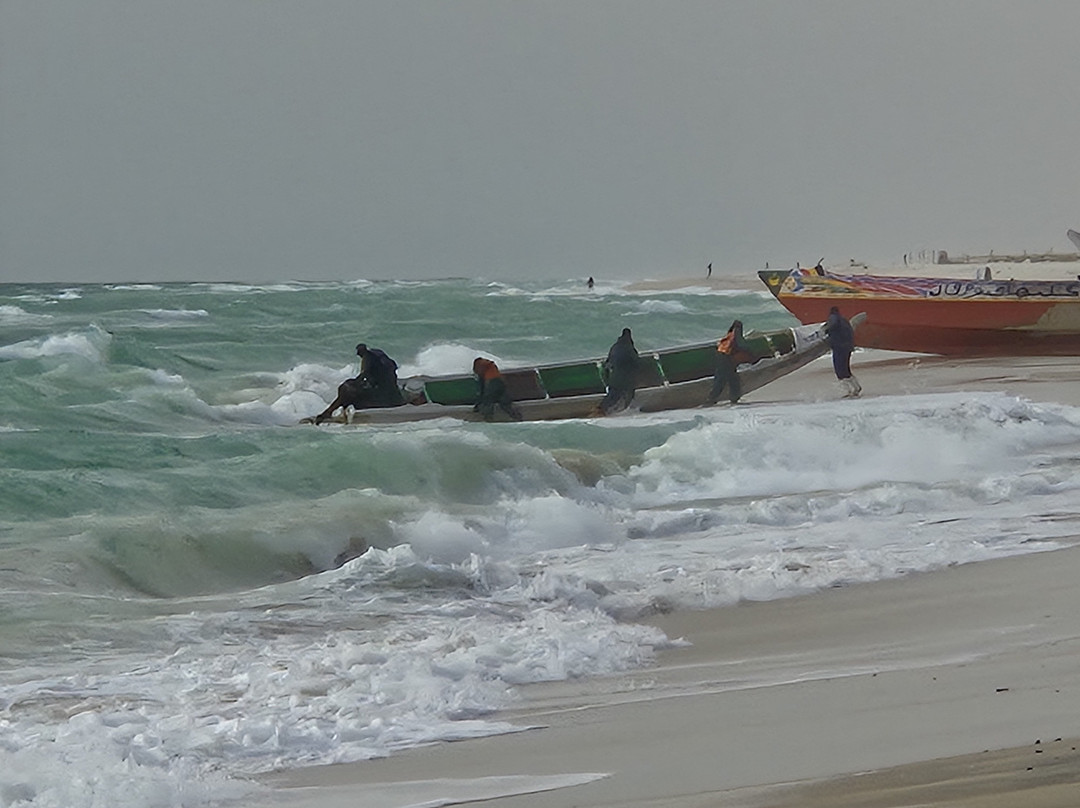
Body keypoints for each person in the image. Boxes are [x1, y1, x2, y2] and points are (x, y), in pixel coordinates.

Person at [314, 343, 405, 423]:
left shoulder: (368, 358)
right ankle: (331, 412)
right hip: (388, 389)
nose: (358, 354)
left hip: (382, 393)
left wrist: (356, 383)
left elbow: (364, 374)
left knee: (347, 389)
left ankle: (329, 413)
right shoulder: (378, 354)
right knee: (349, 387)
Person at [598, 327, 640, 415]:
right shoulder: (630, 349)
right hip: (625, 377)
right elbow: (636, 362)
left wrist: (607, 377)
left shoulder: (615, 347)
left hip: (614, 376)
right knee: (628, 392)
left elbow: (608, 362)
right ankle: (628, 407)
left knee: (613, 393)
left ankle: (602, 408)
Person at [824, 306, 861, 398]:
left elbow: (832, 324)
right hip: (848, 347)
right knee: (846, 368)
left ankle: (850, 390)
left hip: (839, 347)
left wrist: (826, 330)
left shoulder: (834, 318)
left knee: (840, 370)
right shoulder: (844, 320)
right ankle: (856, 387)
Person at [709, 319, 747, 404]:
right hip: (726, 356)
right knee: (730, 378)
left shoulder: (729, 334)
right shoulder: (736, 333)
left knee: (722, 377)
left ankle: (713, 398)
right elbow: (741, 344)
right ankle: (730, 398)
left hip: (721, 355)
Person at [472, 357, 523, 421]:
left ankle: (488, 419)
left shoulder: (480, 366)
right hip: (501, 382)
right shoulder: (491, 365)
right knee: (505, 403)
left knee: (487, 401)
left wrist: (477, 405)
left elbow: (482, 389)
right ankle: (517, 417)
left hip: (492, 382)